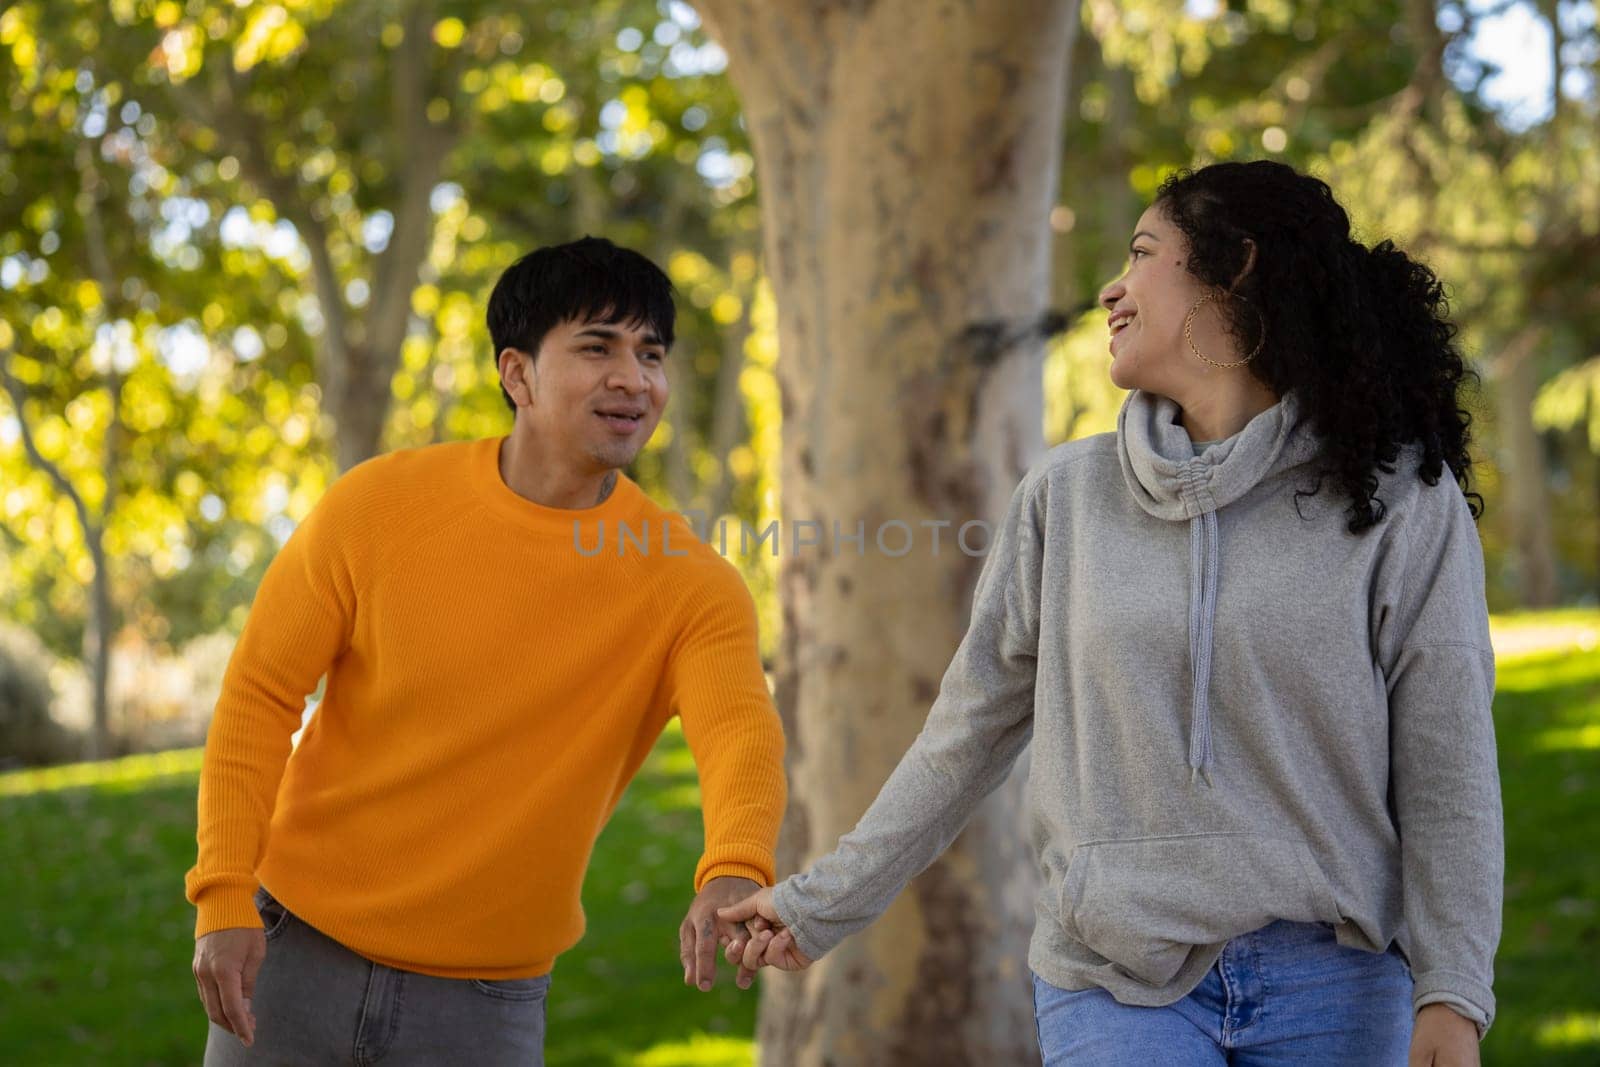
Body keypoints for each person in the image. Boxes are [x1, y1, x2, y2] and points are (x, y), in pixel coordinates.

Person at [720, 161, 1501, 1066]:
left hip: (1335, 978)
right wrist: (823, 903)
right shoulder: (1066, 496)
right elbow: (966, 731)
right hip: (1112, 979)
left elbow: (1448, 763)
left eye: (1141, 253)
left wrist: (1453, 992)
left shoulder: (1398, 494)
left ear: (1234, 268)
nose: (1111, 288)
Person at [186, 237, 786, 1065]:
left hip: (484, 1006)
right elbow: (258, 695)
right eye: (597, 347)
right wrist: (222, 895)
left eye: (651, 353)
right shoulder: (375, 508)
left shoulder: (690, 582)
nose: (634, 378)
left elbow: (739, 733)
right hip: (292, 959)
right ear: (518, 374)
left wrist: (735, 862)